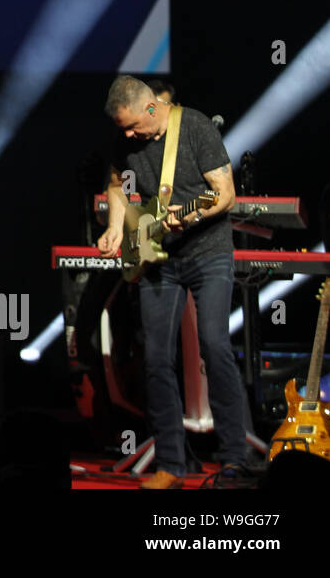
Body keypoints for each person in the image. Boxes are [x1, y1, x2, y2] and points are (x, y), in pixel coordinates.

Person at [97, 75, 249, 488]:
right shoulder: (126, 141)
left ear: (150, 107)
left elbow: (225, 192)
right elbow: (116, 187)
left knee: (215, 346)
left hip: (208, 252)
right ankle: (171, 464)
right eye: (122, 129)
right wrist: (115, 227)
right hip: (158, 261)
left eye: (132, 126)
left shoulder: (195, 126)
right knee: (155, 359)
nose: (128, 135)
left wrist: (192, 215)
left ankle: (235, 458)